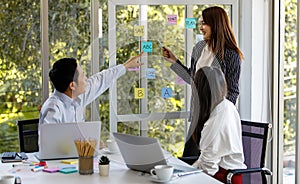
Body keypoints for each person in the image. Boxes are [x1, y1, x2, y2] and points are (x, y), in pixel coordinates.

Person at [162, 6, 243, 157]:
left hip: (217, 121)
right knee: (188, 161)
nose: (201, 27)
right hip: (198, 118)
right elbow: (193, 79)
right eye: (200, 23)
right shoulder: (199, 48)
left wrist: (220, 115)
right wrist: (174, 61)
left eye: (205, 23)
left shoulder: (230, 54)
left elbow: (233, 91)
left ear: (216, 24)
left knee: (208, 166)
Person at [39, 52, 143, 124]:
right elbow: (50, 146)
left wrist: (126, 66)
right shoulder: (53, 108)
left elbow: (101, 79)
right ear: (72, 85)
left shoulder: (76, 97)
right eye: (82, 76)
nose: (86, 79)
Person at [191, 66, 246, 184]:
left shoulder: (217, 118)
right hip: (226, 174)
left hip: (225, 177)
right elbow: (206, 160)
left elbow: (209, 168)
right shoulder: (226, 106)